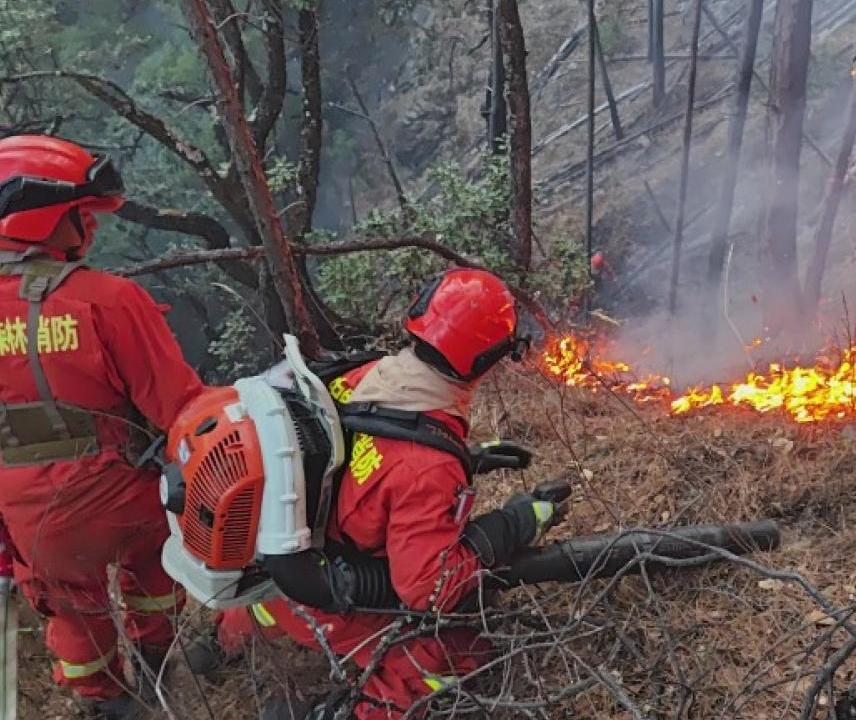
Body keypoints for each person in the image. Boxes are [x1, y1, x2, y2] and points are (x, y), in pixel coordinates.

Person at [214, 268, 562, 720]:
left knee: (273, 607)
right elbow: (428, 591)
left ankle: (223, 639)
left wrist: (468, 457)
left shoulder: (365, 374)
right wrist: (516, 521)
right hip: (326, 593)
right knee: (452, 657)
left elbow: (373, 461)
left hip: (272, 572)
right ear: (490, 359)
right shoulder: (427, 468)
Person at [0, 135, 205, 719]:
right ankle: (158, 666)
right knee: (155, 569)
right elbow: (179, 409)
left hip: (36, 521)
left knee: (72, 612)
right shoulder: (110, 301)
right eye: (80, 216)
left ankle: (107, 704)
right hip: (128, 500)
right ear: (42, 218)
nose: (90, 229)